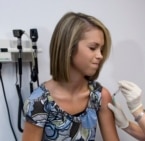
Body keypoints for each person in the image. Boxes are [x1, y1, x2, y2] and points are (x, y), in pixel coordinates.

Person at [22, 12, 120, 141]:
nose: (100, 55)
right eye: (92, 48)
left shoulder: (99, 96)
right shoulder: (39, 103)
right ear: (69, 48)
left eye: (101, 49)